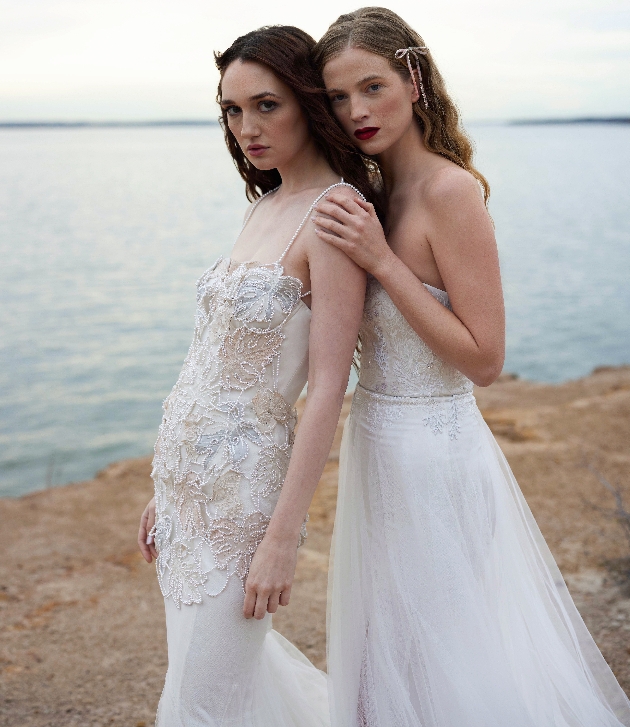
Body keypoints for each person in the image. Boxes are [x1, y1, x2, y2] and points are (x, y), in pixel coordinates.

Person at [312, 8, 630, 726]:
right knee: (380, 659)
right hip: (377, 449)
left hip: (437, 458)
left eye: (372, 86)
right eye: (336, 97)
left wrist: (382, 262)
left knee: (445, 662)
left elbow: (486, 358)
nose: (356, 111)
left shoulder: (450, 193)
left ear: (413, 78)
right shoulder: (370, 195)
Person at [137, 25, 374, 726]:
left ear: (307, 101)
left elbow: (329, 385)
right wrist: (165, 484)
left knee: (204, 704)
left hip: (244, 505)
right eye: (232, 110)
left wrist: (280, 535)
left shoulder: (336, 213)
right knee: (206, 683)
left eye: (266, 105)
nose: (247, 127)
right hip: (187, 495)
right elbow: (209, 362)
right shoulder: (264, 206)